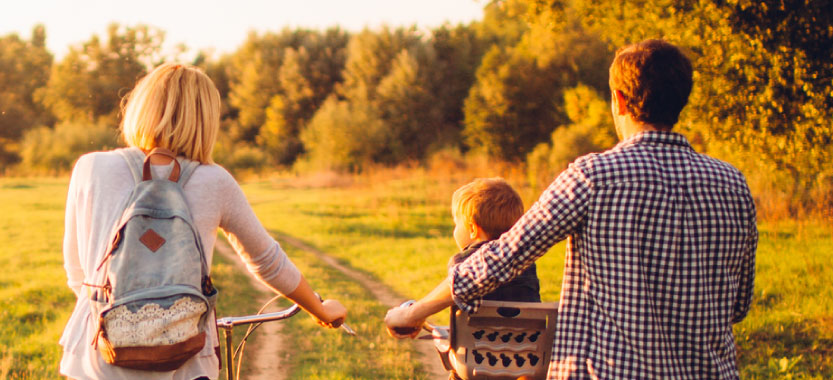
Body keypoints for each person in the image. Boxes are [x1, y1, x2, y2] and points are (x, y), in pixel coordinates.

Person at [384, 39, 758, 379]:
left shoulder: (593, 177)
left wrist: (414, 312)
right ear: (681, 99)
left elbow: (502, 257)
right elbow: (738, 304)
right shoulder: (732, 183)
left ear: (620, 100)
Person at [60, 63, 347, 380]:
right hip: (186, 360)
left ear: (141, 106)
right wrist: (321, 310)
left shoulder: (90, 168)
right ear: (206, 120)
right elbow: (267, 261)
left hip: (96, 361)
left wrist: (125, 321)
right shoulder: (214, 181)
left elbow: (77, 271)